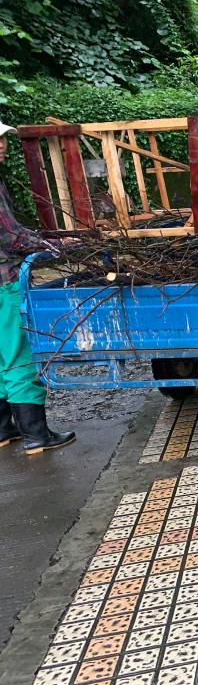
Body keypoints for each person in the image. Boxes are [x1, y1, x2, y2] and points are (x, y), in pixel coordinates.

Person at [0, 120, 75, 454]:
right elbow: (11, 238)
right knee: (20, 357)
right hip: (4, 283)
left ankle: (4, 430)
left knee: (1, 356)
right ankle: (36, 435)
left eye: (3, 139)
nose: (2, 145)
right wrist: (54, 246)